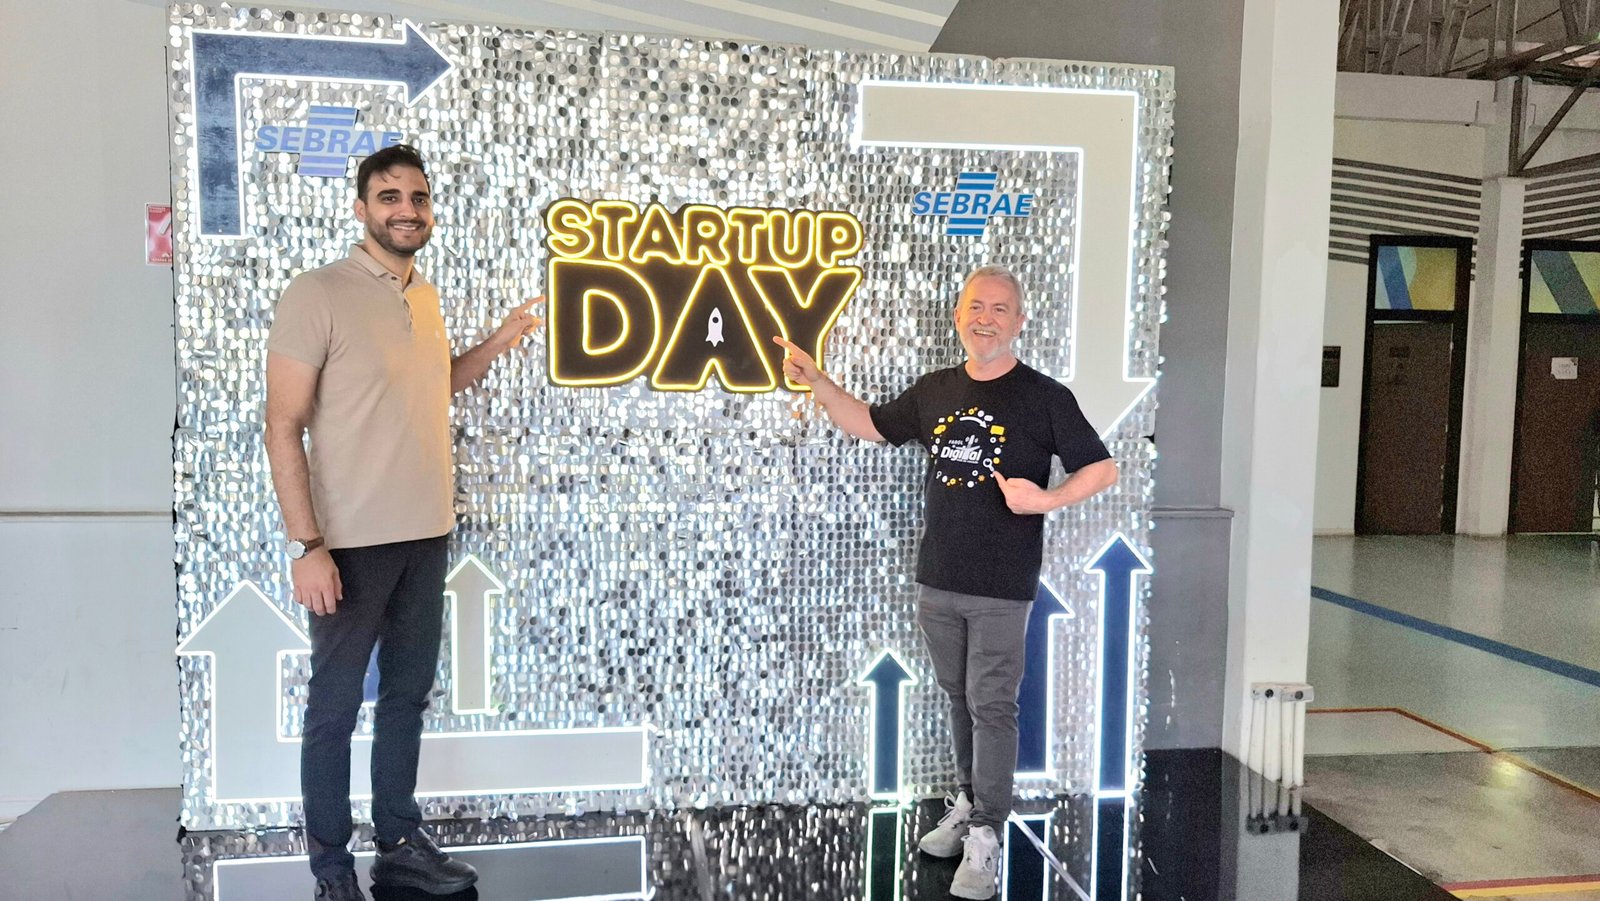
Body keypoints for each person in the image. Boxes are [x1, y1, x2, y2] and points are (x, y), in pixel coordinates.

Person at [775, 264, 1118, 900]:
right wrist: (819, 383)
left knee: (992, 705)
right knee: (959, 698)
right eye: (976, 307)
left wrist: (1045, 500)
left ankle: (986, 834)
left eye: (1000, 308)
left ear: (1019, 322)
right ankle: (968, 804)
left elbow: (1102, 469)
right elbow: (870, 422)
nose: (986, 318)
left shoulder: (1044, 396)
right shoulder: (935, 390)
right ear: (958, 316)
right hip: (938, 578)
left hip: (1001, 584)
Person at [264, 144, 542, 901]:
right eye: (389, 197)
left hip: (426, 533)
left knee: (406, 697)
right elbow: (282, 424)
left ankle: (398, 842)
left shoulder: (425, 296)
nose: (406, 210)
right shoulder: (317, 292)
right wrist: (306, 545)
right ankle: (331, 868)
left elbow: (434, 386)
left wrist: (500, 341)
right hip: (349, 544)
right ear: (362, 208)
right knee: (333, 709)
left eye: (418, 198)